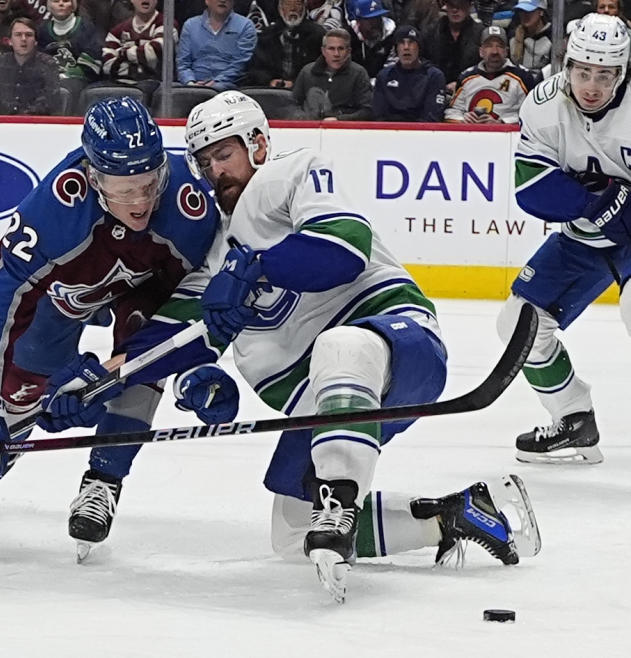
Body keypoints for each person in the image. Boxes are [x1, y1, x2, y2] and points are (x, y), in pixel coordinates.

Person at [44, 91, 539, 602]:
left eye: (224, 153)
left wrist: (257, 268)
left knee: (340, 345)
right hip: (323, 405)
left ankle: (339, 499)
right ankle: (458, 515)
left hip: (397, 349)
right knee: (291, 527)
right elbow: (174, 337)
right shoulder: (215, 252)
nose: (215, 171)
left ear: (258, 144)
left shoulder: (292, 174)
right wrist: (101, 379)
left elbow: (343, 248)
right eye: (204, 161)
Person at [0, 97, 221, 560]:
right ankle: (5, 439)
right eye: (124, 188)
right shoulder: (57, 205)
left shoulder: (190, 207)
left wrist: (167, 368)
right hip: (76, 285)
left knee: (144, 360)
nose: (141, 201)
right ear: (93, 178)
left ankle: (104, 479)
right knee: (32, 360)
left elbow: (204, 304)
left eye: (149, 184)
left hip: (152, 288)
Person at [500, 12, 631, 464]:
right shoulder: (543, 104)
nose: (591, 85)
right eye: (582, 71)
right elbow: (531, 185)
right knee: (519, 324)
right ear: (568, 64)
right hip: (587, 235)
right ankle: (574, 420)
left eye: (605, 74)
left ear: (623, 70)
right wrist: (601, 204)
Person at [445, 26, 535, 123]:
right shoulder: (466, 77)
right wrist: (462, 120)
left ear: (506, 51)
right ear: (481, 51)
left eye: (500, 46)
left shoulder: (523, 77)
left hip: (508, 137)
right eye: (489, 46)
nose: (494, 51)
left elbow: (533, 113)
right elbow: (452, 112)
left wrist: (502, 123)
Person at [0, 16, 60, 114]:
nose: (23, 39)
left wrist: (23, 118)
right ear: (9, 41)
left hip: (36, 123)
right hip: (3, 122)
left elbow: (49, 100)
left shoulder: (48, 63)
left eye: (29, 35)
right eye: (18, 35)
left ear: (35, 41)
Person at [292, 27, 373, 120]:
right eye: (331, 48)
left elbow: (367, 111)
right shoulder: (307, 72)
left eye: (341, 49)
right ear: (323, 51)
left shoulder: (359, 74)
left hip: (345, 130)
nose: (336, 54)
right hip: (311, 128)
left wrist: (340, 120)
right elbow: (293, 104)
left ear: (348, 51)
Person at [101, 0, 177, 98]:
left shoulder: (167, 24)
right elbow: (107, 64)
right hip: (120, 82)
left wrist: (122, 53)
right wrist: (139, 64)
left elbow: (154, 53)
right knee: (93, 93)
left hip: (155, 84)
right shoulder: (118, 30)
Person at [243, 0, 325, 89]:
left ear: (304, 8)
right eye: (288, 4)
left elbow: (321, 68)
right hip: (271, 90)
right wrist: (269, 81)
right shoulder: (267, 35)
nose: (292, 8)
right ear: (280, 8)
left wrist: (296, 82)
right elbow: (255, 69)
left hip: (305, 89)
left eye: (297, 4)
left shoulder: (317, 34)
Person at [177, 0, 257, 91]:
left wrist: (215, 83)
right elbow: (183, 63)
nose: (223, 0)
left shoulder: (245, 26)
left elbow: (241, 63)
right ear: (207, 1)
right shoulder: (190, 25)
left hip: (229, 86)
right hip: (193, 85)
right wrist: (190, 83)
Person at [373, 24, 446, 122]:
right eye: (402, 43)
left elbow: (432, 117)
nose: (406, 47)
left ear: (419, 48)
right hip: (390, 133)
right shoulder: (384, 76)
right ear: (396, 49)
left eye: (411, 42)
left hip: (423, 134)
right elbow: (379, 115)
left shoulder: (434, 76)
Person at [37, 0, 103, 107]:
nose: (61, 4)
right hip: (49, 80)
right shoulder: (42, 30)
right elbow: (38, 59)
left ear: (73, 5)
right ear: (49, 6)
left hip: (79, 81)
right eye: (56, 1)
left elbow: (93, 56)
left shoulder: (86, 27)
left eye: (66, 1)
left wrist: (69, 74)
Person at [423, 0, 485, 88]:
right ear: (446, 6)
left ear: (469, 6)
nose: (455, 10)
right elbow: (424, 62)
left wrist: (462, 83)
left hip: (470, 88)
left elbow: (484, 67)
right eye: (451, 5)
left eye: (460, 5)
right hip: (435, 88)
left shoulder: (480, 33)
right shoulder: (431, 31)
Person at [347, 0, 396, 81]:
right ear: (359, 21)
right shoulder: (349, 37)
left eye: (377, 18)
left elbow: (391, 68)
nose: (375, 23)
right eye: (370, 19)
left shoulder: (392, 36)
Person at [509, 0, 552, 78]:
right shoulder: (513, 37)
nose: (524, 15)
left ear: (541, 12)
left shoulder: (552, 37)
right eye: (521, 11)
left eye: (529, 11)